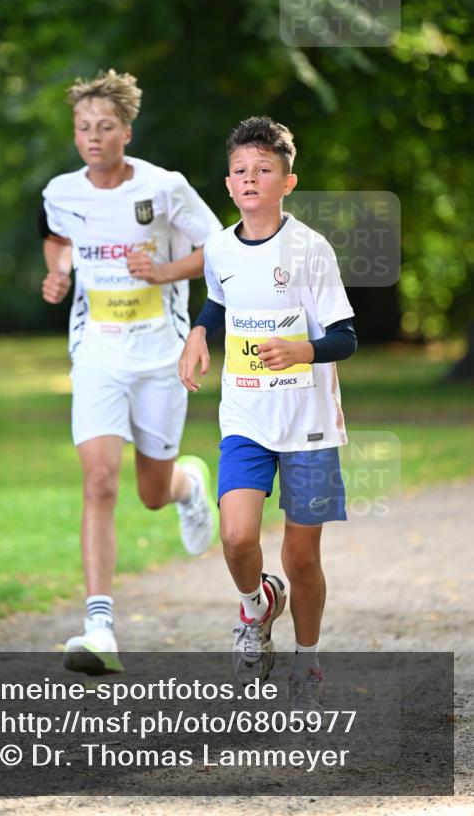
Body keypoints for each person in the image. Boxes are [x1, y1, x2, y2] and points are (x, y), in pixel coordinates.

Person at [40, 69, 222, 675]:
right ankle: (99, 627)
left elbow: (220, 249)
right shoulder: (62, 191)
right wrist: (61, 269)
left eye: (105, 127)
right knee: (98, 482)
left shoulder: (164, 187)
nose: (93, 137)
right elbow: (58, 236)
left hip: (158, 355)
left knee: (149, 492)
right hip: (97, 354)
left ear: (127, 131)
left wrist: (164, 274)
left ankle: (187, 486)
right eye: (83, 128)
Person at [179, 116, 356, 710]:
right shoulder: (221, 248)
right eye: (240, 171)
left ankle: (307, 665)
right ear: (227, 185)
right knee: (236, 538)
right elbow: (220, 297)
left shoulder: (310, 250)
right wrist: (200, 333)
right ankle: (257, 607)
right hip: (247, 418)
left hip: (307, 424)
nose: (250, 178)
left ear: (287, 181)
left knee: (302, 557)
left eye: (264, 169)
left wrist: (303, 350)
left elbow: (346, 337)